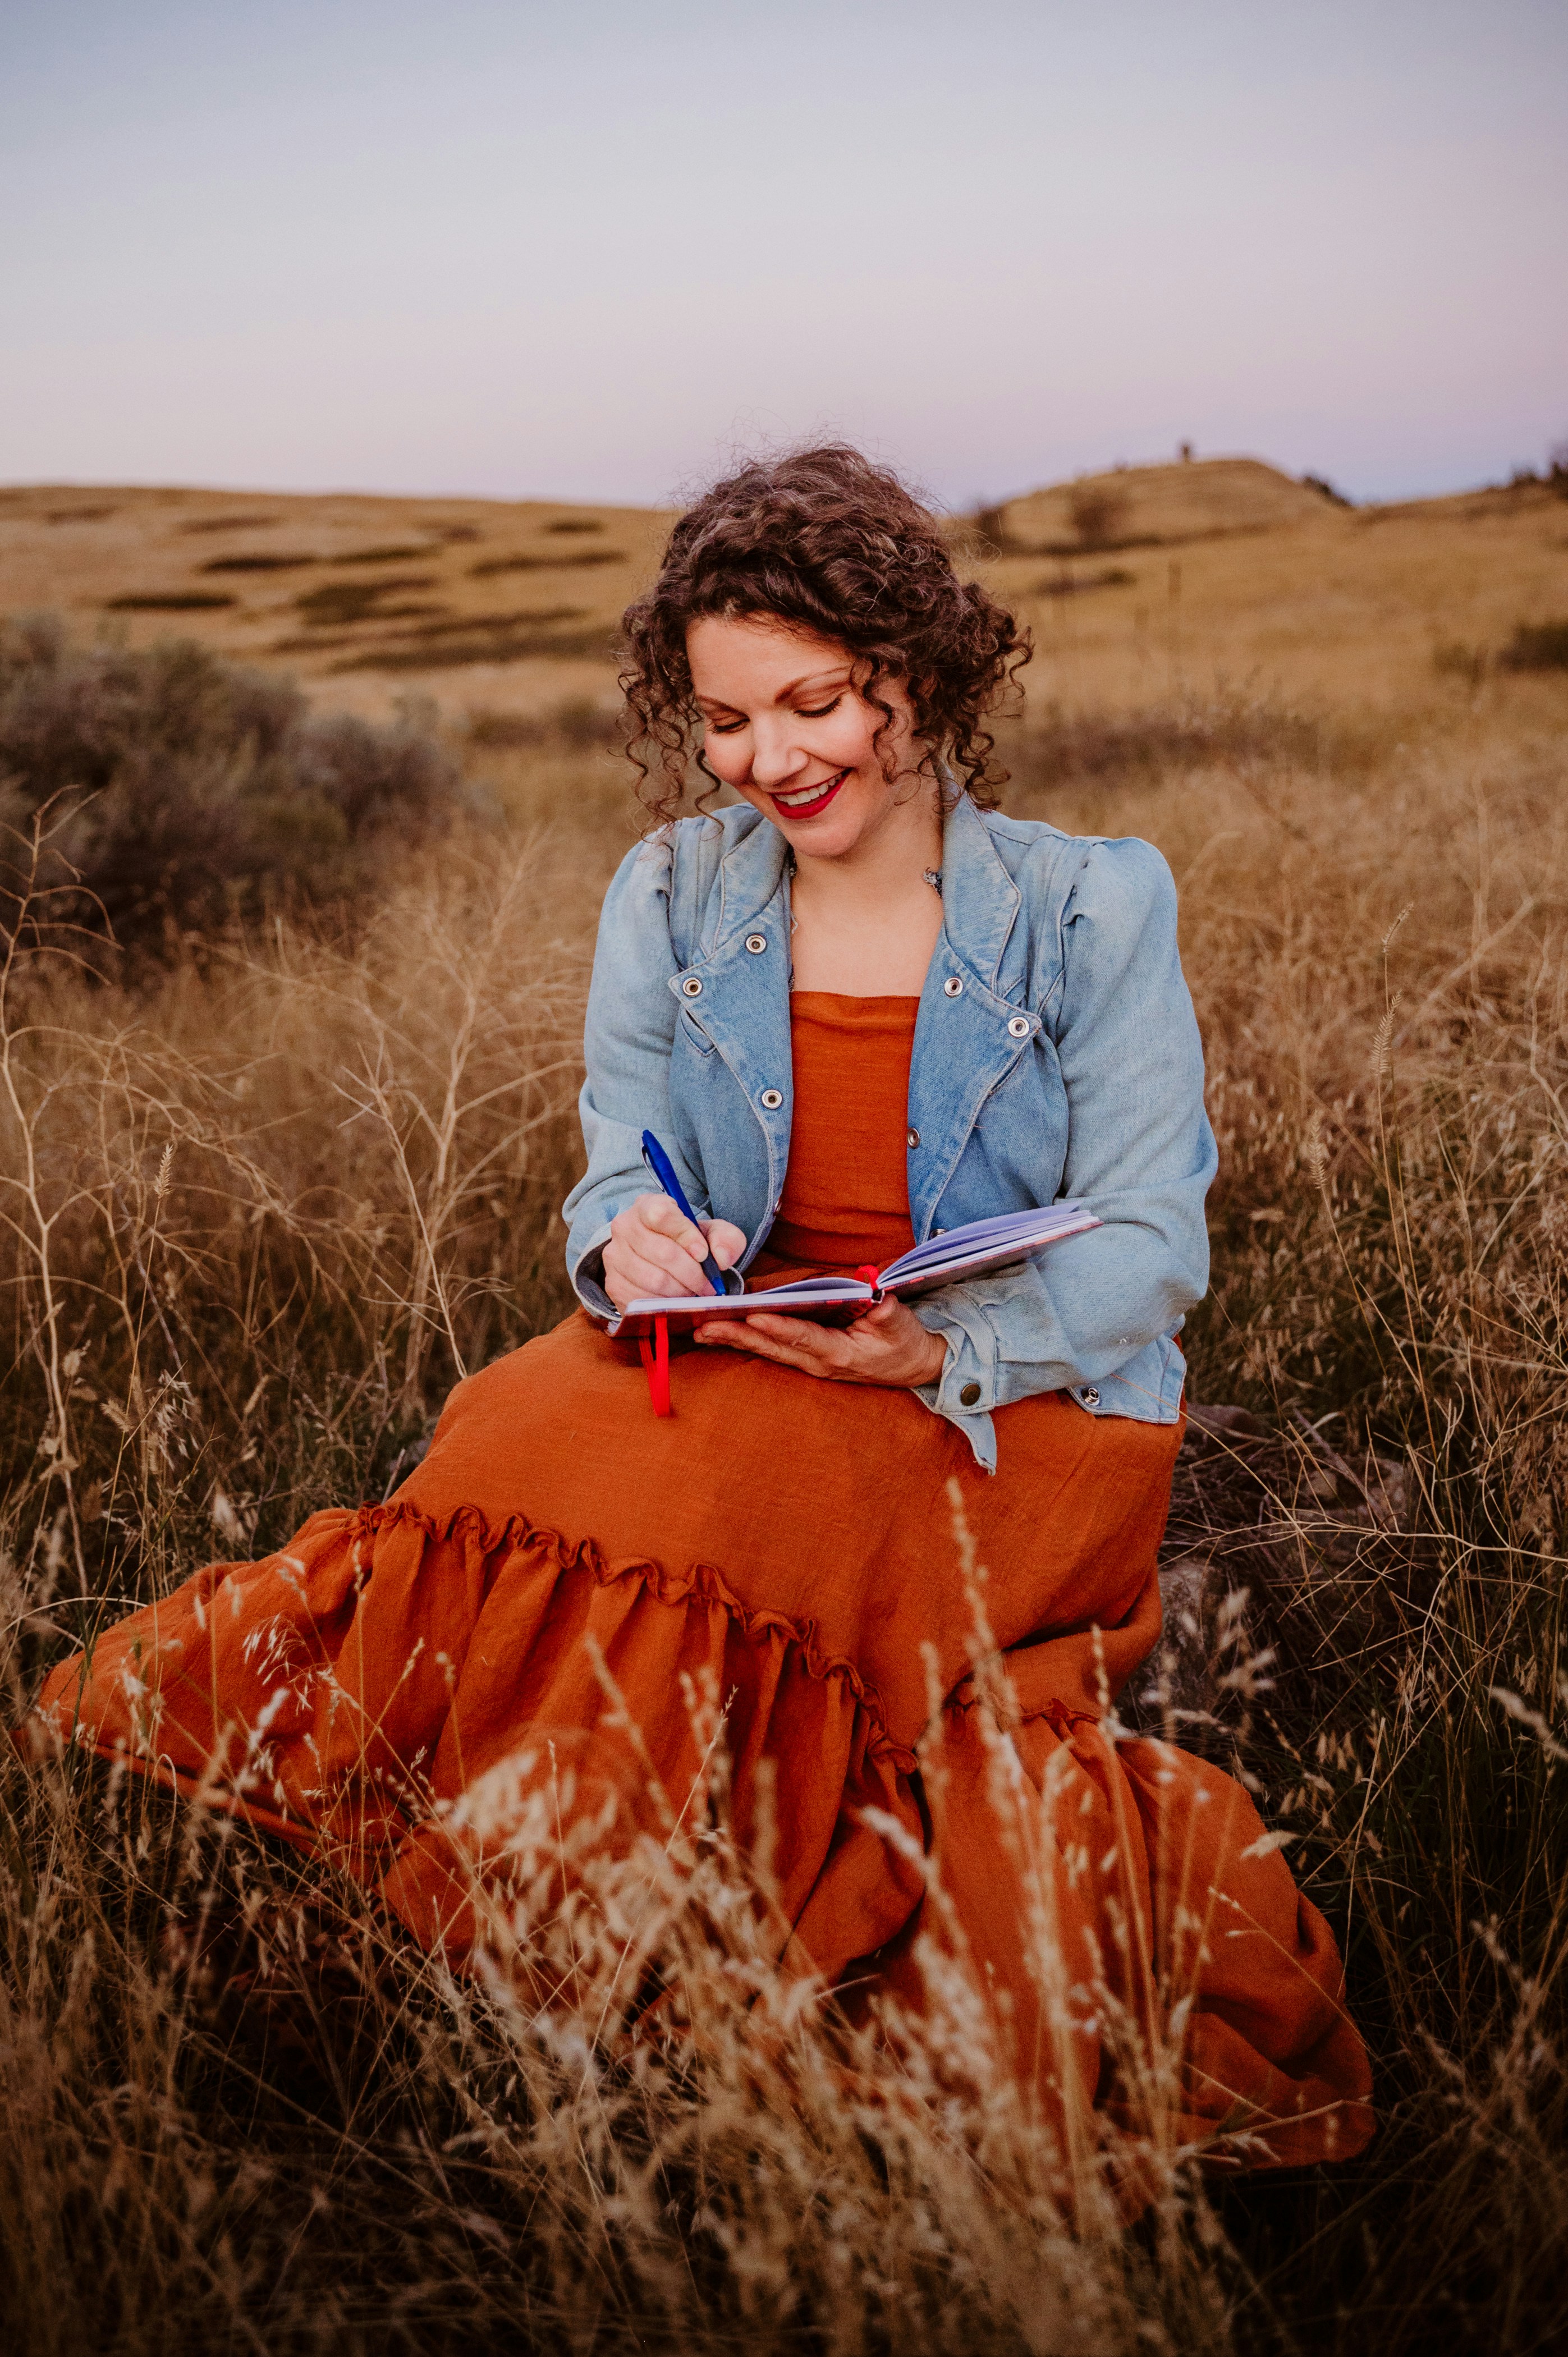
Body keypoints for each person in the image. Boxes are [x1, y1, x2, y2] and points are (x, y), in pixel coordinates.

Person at [25, 446, 1371, 2170]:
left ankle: (633, 1928)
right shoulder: (670, 892)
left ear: (921, 676)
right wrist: (630, 1253)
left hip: (1008, 1393)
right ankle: (495, 1884)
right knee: (512, 1418)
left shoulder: (1091, 901)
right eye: (727, 719)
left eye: (815, 703)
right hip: (748, 1332)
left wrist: (938, 1345)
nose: (773, 759)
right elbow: (614, 1167)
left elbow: (1146, 1249)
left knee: (733, 1499)